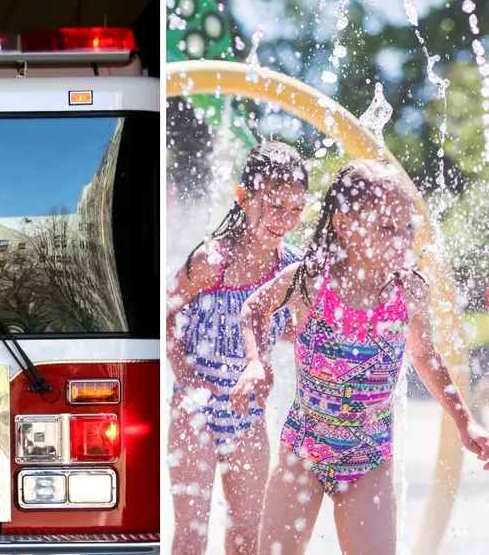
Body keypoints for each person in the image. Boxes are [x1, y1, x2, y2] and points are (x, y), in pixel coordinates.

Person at [230, 158, 489, 555]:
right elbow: (253, 308)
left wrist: (464, 421)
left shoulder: (411, 292)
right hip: (303, 450)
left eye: (408, 227)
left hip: (369, 458)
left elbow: (425, 356)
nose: (402, 239)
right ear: (345, 226)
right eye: (387, 228)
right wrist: (255, 361)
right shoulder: (313, 280)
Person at [168, 141, 308, 554]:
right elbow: (169, 316)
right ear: (244, 198)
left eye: (296, 209)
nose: (286, 219)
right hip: (194, 410)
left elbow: (293, 332)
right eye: (276, 205)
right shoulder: (213, 259)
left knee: (248, 537)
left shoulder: (292, 269)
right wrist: (189, 380)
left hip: (248, 416)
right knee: (192, 536)